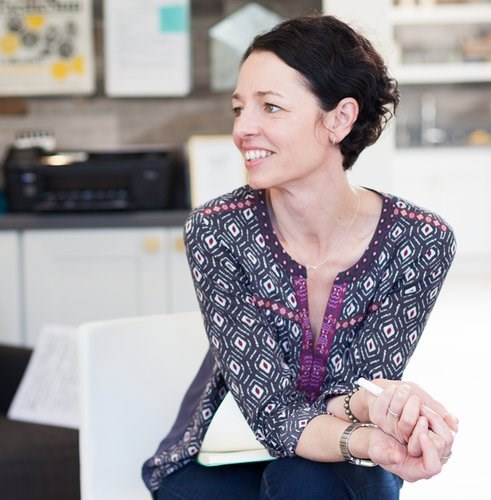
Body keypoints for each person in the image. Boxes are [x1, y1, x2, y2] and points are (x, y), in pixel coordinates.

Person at [142, 14, 458, 500]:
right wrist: (370, 437)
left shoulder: (419, 242)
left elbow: (352, 390)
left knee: (309, 479)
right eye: (239, 108)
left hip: (333, 452)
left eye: (270, 107)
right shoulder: (217, 230)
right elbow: (271, 410)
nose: (242, 129)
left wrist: (386, 411)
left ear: (339, 119)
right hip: (222, 453)